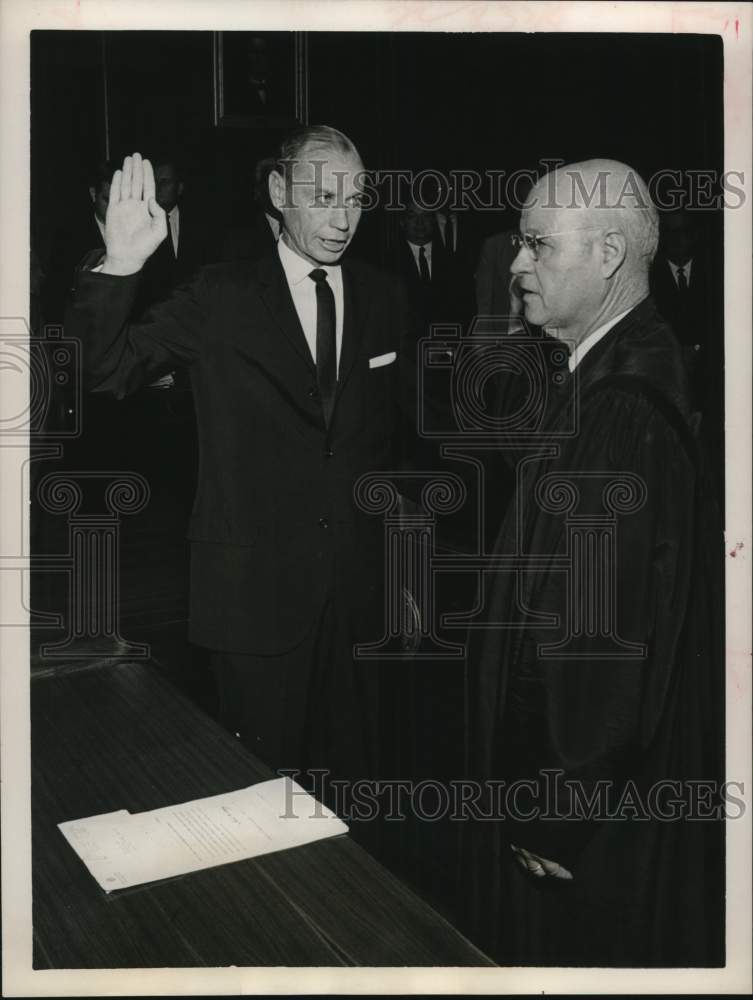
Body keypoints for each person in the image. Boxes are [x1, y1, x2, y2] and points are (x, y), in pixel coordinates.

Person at [65, 126, 408, 796]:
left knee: (358, 801)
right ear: (280, 192)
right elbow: (100, 372)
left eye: (357, 198)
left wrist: (403, 573)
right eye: (323, 195)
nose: (342, 218)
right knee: (259, 799)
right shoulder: (219, 296)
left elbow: (388, 452)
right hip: (252, 600)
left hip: (360, 602)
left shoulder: (387, 298)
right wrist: (120, 268)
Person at [461, 159, 724, 965]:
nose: (515, 265)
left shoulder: (619, 412)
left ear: (607, 255)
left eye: (538, 246)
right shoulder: (607, 372)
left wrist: (551, 808)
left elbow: (593, 646)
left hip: (589, 819)